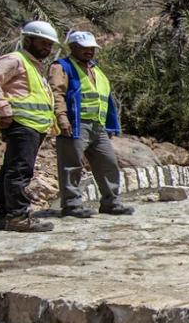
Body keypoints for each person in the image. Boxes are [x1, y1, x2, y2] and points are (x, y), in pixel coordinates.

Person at [0, 20, 63, 233]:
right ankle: (18, 217)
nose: (46, 47)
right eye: (42, 42)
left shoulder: (33, 66)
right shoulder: (16, 60)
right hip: (23, 126)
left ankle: (4, 215)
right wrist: (4, 109)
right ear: (27, 40)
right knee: (18, 172)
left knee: (10, 169)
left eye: (49, 44)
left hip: (31, 127)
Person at [49, 31, 134, 218]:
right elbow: (57, 94)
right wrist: (61, 118)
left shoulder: (96, 70)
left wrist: (110, 125)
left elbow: (104, 99)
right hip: (75, 124)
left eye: (91, 48)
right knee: (71, 165)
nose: (89, 51)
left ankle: (110, 202)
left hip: (98, 126)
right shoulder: (62, 67)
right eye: (84, 47)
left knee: (108, 162)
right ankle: (71, 205)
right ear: (72, 47)